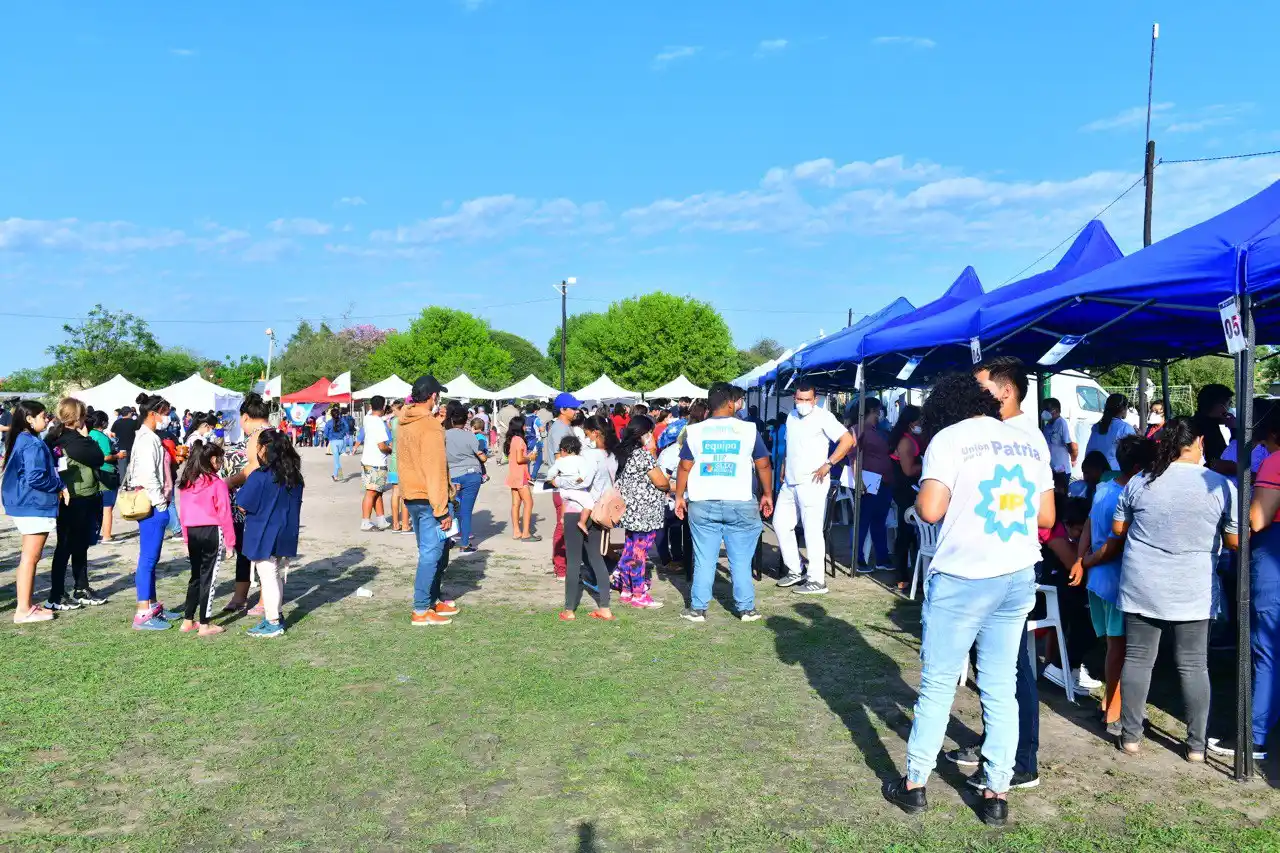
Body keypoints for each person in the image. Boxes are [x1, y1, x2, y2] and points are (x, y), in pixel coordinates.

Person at [884, 373, 1054, 828]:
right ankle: (997, 791)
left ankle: (915, 783)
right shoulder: (1028, 441)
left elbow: (931, 510)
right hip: (1017, 571)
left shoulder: (949, 440)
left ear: (943, 408)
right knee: (1001, 685)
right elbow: (1048, 514)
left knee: (939, 681)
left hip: (964, 573)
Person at [1111, 417, 1238, 762]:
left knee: (1138, 660)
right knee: (1194, 665)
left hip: (1142, 583)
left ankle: (1131, 737)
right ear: (1198, 440)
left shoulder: (1141, 481)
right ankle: (1196, 746)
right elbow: (1235, 539)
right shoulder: (1221, 486)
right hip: (1193, 587)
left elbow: (1118, 528)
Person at [1069, 435, 1155, 737]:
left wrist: (1080, 560)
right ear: (1138, 466)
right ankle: (1113, 709)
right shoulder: (1130, 494)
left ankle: (1109, 702)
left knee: (1111, 645)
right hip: (1116, 578)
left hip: (1098, 580)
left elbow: (1089, 528)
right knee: (1120, 649)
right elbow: (1113, 545)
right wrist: (1088, 561)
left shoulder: (1104, 488)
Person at [675, 383, 773, 623]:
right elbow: (762, 463)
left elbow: (684, 466)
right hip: (740, 500)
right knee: (740, 558)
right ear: (731, 403)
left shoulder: (695, 432)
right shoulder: (748, 429)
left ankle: (698, 608)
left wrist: (679, 496)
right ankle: (746, 608)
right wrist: (767, 493)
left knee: (704, 557)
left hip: (702, 501)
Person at [1221, 413, 1280, 760]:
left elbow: (1257, 518)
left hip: (1273, 556)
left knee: (1267, 650)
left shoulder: (1275, 463)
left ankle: (1253, 735)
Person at [774, 382, 855, 595]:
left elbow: (847, 440)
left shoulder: (824, 417)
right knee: (780, 524)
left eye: (807, 400)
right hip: (790, 482)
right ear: (794, 398)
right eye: (799, 399)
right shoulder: (791, 417)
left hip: (813, 481)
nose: (802, 404)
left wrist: (829, 464)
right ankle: (795, 569)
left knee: (812, 530)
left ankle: (817, 580)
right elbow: (790, 445)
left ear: (815, 399)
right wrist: (784, 466)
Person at [397, 375, 457, 626]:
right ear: (433, 396)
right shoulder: (430, 427)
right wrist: (442, 510)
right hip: (428, 497)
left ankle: (431, 600)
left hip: (411, 494)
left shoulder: (404, 421)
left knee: (433, 551)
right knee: (431, 555)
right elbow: (434, 470)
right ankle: (421, 609)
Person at [235, 429, 304, 638]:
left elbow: (243, 503)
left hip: (264, 531)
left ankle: (273, 621)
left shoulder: (261, 476)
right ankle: (276, 615)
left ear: (265, 448)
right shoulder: (294, 476)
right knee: (275, 574)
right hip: (286, 530)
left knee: (268, 575)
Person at [2, 400, 65, 623]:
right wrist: (60, 486)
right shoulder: (31, 443)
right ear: (29, 419)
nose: (46, 419)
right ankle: (23, 610)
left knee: (28, 557)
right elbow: (35, 477)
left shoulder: (24, 439)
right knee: (30, 557)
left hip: (25, 502)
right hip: (33, 504)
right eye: (43, 416)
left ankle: (26, 605)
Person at [43, 398, 107, 612]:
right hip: (76, 496)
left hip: (77, 495)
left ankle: (81, 587)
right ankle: (56, 594)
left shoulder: (54, 436)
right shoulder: (73, 439)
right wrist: (87, 435)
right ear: (77, 417)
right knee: (66, 546)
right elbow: (98, 457)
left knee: (78, 545)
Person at [125, 395, 180, 631]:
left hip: (155, 503)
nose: (166, 418)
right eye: (164, 413)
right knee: (147, 559)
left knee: (151, 558)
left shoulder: (149, 438)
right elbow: (149, 477)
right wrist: (160, 503)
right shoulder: (147, 440)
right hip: (152, 504)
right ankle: (142, 612)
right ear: (153, 413)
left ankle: (152, 604)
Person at [609, 415, 669, 609]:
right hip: (645, 513)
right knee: (639, 553)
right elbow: (661, 482)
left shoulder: (622, 453)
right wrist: (652, 453)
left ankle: (626, 589)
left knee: (630, 548)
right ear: (644, 433)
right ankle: (638, 593)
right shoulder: (642, 456)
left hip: (630, 511)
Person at [177, 441, 236, 637]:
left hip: (192, 532)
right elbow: (225, 513)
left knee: (195, 576)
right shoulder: (217, 483)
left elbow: (183, 515)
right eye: (220, 459)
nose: (221, 463)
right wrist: (230, 542)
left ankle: (188, 620)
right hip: (212, 531)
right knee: (208, 578)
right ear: (212, 460)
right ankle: (204, 623)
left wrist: (186, 539)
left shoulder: (187, 483)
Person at [222, 393, 272, 614]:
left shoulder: (261, 436)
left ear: (245, 417)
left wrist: (228, 482)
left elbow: (253, 468)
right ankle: (241, 596)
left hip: (257, 504)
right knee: (245, 550)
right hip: (253, 504)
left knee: (263, 553)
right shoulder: (277, 435)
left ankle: (263, 599)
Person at [853, 398, 894, 573]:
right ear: (872, 410)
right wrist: (858, 480)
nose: (881, 413)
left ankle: (882, 558)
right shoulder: (858, 429)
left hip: (884, 481)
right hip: (868, 481)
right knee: (863, 522)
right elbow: (852, 455)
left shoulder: (877, 430)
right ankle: (858, 558)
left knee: (879, 521)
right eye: (879, 410)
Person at [544, 393, 583, 578]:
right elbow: (562, 460)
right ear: (562, 410)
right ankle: (561, 567)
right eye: (573, 408)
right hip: (563, 486)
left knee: (568, 525)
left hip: (566, 485)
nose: (576, 411)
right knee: (563, 525)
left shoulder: (564, 427)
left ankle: (565, 564)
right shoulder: (560, 429)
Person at [889, 404, 924, 592]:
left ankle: (908, 575)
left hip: (907, 491)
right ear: (912, 422)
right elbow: (908, 470)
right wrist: (926, 464)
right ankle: (901, 577)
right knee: (906, 535)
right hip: (906, 492)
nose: (922, 424)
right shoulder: (906, 442)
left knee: (910, 535)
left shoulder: (910, 439)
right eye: (920, 420)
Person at [446, 402, 486, 554]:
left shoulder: (444, 436)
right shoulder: (470, 436)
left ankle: (449, 538)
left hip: (453, 475)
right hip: (471, 475)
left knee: (453, 508)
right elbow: (481, 457)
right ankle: (464, 544)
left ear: (451, 420)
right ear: (465, 421)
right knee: (466, 511)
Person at [355, 395, 392, 532]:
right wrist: (391, 450)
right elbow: (382, 446)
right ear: (383, 407)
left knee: (377, 492)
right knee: (371, 492)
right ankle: (365, 521)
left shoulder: (367, 418)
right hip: (376, 461)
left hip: (367, 460)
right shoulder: (378, 423)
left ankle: (381, 520)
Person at [545, 435, 596, 535]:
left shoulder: (560, 461)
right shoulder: (580, 459)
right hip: (575, 490)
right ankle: (582, 522)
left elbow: (551, 472)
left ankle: (563, 518)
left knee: (565, 502)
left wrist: (550, 480)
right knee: (589, 503)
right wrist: (581, 477)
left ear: (563, 450)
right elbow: (584, 471)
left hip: (564, 490)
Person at [89, 410, 122, 544]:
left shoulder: (90, 434)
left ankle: (95, 533)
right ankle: (107, 535)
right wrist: (118, 456)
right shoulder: (101, 437)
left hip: (94, 473)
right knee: (108, 506)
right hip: (107, 473)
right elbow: (106, 456)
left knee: (97, 506)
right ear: (103, 422)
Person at [504, 415, 537, 541]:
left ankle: (517, 531)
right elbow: (519, 459)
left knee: (515, 504)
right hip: (520, 475)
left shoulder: (513, 439)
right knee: (529, 502)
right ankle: (526, 533)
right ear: (520, 427)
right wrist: (530, 457)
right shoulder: (519, 440)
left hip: (513, 475)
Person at [1084, 393, 1136, 472]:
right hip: (1113, 473)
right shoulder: (1125, 428)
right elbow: (1133, 453)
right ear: (1123, 409)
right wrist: (1139, 437)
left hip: (1091, 470)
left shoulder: (1096, 426)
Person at [1192, 383, 1233, 469]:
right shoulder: (1209, 430)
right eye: (1229, 403)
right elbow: (1217, 463)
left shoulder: (1194, 422)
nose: (1230, 407)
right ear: (1220, 406)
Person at [1041, 397, 1078, 492]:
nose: (1044, 412)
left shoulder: (1063, 424)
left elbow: (1072, 445)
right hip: (1050, 468)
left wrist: (1073, 459)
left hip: (1061, 468)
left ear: (1056, 410)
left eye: (1047, 409)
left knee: (1061, 496)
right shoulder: (1047, 426)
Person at [325, 407, 349, 481]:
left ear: (331, 415)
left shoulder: (329, 422)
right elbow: (347, 428)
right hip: (341, 441)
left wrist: (328, 438)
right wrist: (344, 433)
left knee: (336, 461)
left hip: (333, 442)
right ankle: (338, 475)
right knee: (337, 459)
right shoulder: (342, 420)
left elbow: (325, 433)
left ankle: (336, 476)